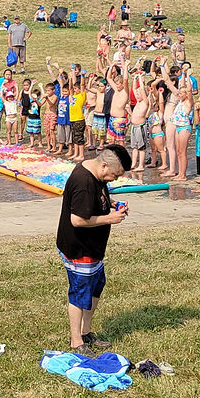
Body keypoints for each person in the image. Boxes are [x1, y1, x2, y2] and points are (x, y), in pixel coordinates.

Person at [56, 145, 131, 352]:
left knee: (95, 287)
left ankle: (86, 332)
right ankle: (76, 341)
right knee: (80, 293)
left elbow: (94, 200)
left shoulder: (96, 173)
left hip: (93, 248)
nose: (113, 180)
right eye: (114, 175)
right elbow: (78, 220)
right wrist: (110, 218)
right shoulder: (83, 181)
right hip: (79, 249)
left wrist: (112, 204)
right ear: (104, 165)